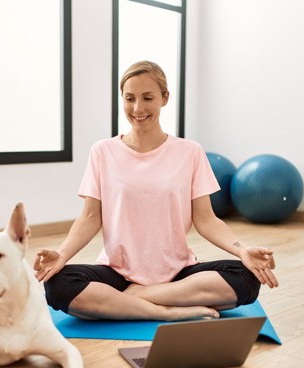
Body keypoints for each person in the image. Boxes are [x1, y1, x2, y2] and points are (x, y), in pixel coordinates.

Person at [34, 60, 278, 321]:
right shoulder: (103, 151)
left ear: (164, 98)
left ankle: (130, 301)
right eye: (130, 99)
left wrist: (241, 250)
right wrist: (61, 255)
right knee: (58, 284)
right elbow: (90, 217)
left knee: (247, 278)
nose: (138, 108)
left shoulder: (190, 152)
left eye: (147, 98)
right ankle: (165, 311)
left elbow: (206, 219)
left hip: (178, 273)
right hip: (116, 272)